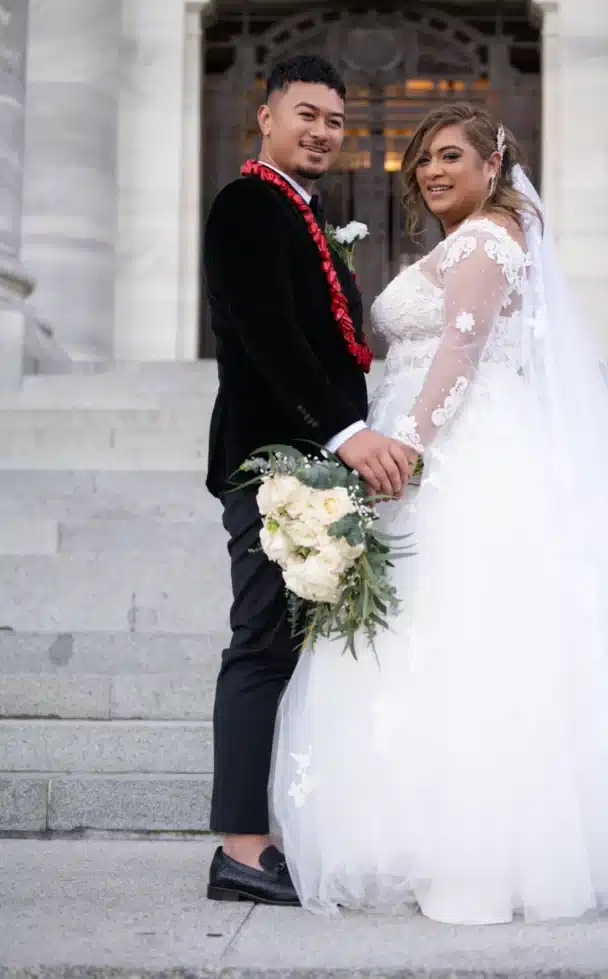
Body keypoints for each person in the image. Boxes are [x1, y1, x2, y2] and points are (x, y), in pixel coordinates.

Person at [271, 102, 608, 927]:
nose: (433, 171)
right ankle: (430, 839)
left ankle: (484, 853)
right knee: (419, 641)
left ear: (493, 162)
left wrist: (408, 449)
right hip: (432, 446)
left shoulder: (489, 242)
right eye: (424, 159)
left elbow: (460, 354)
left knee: (469, 641)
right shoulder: (470, 239)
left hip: (461, 454)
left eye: (451, 156)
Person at [202, 54, 415, 906]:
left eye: (335, 119)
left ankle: (278, 828)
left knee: (295, 651)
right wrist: (348, 433)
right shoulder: (248, 204)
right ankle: (242, 848)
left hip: (309, 458)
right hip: (269, 459)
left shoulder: (300, 211)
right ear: (266, 116)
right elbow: (266, 333)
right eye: (307, 114)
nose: (323, 130)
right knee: (259, 643)